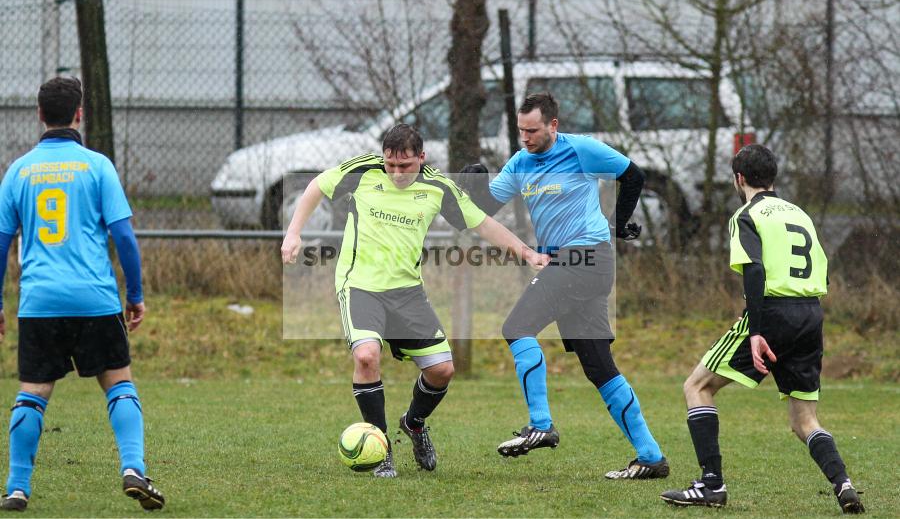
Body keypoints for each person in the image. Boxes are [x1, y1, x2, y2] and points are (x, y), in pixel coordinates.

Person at [281, 123, 547, 478]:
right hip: (360, 285)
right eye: (390, 165)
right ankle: (381, 449)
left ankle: (415, 423)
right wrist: (293, 233)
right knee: (365, 355)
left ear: (421, 157)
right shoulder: (362, 172)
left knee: (442, 370)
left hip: (407, 292)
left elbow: (481, 223)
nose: (396, 173)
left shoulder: (438, 187)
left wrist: (528, 253)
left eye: (404, 165)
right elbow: (316, 185)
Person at [461, 92, 668, 479]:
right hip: (568, 264)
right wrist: (474, 187)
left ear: (553, 125)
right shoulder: (521, 162)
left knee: (516, 328)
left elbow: (632, 175)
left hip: (587, 257)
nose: (525, 137)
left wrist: (620, 223)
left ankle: (540, 424)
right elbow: (487, 208)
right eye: (521, 130)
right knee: (599, 367)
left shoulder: (580, 150)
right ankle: (651, 456)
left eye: (533, 130)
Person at [660, 144, 864, 513]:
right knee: (805, 420)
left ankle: (712, 486)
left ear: (739, 178)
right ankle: (843, 483)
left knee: (697, 386)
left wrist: (756, 327)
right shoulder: (799, 214)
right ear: (773, 177)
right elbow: (823, 266)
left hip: (772, 314)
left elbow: (754, 269)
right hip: (810, 313)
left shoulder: (747, 214)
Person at [0, 77, 163, 512]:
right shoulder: (97, 166)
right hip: (95, 298)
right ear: (79, 114)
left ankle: (17, 488)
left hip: (39, 302)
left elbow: (0, 244)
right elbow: (124, 237)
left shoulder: (18, 171)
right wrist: (136, 294)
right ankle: (133, 468)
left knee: (33, 392)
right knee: (118, 384)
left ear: (39, 114)